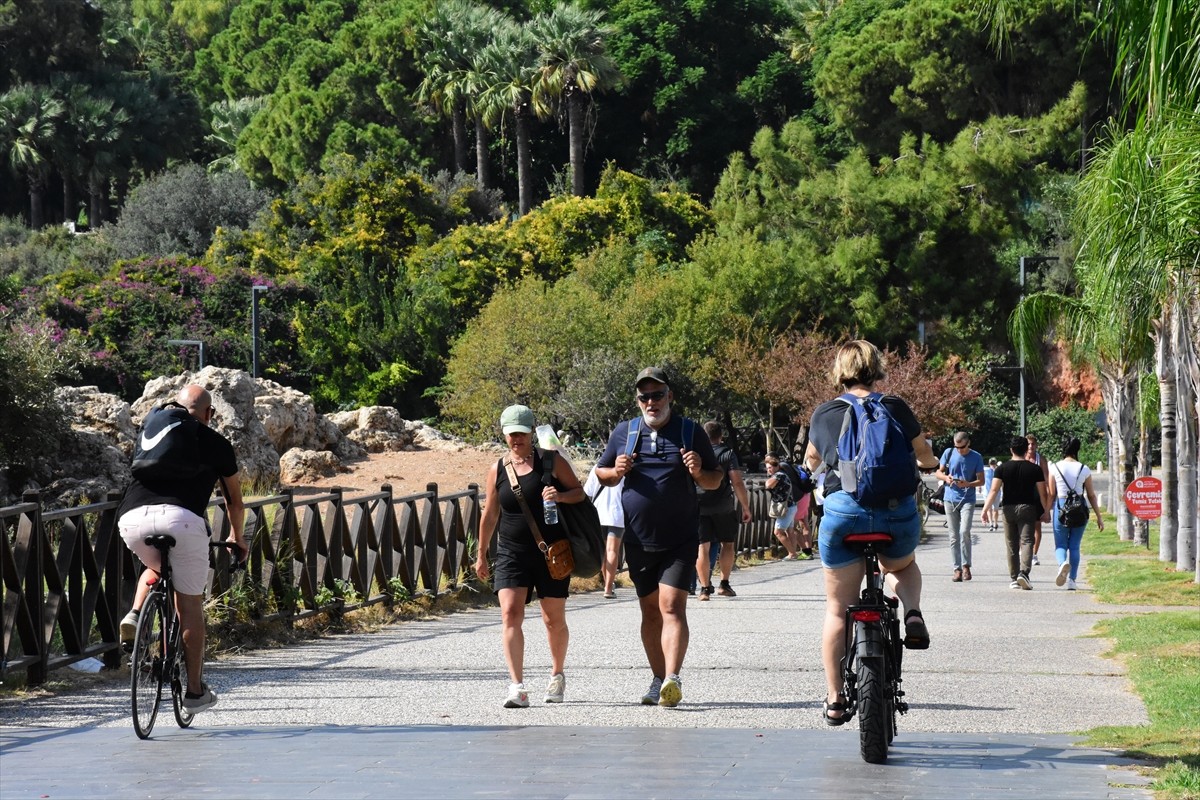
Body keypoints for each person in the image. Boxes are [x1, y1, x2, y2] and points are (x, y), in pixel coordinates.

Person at [802, 341, 939, 726]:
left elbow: (811, 461)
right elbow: (923, 453)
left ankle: (833, 700)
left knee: (836, 609)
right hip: (896, 513)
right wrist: (929, 464)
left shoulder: (825, 412)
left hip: (844, 515)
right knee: (903, 566)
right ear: (876, 369)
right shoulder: (894, 407)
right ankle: (911, 613)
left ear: (840, 371)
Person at [594, 367, 722, 707]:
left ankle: (672, 678)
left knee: (672, 607)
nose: (651, 402)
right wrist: (616, 471)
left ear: (670, 397)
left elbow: (715, 480)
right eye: (644, 397)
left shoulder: (690, 431)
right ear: (638, 401)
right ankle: (657, 678)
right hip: (637, 538)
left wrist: (698, 471)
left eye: (657, 395)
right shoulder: (625, 432)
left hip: (680, 538)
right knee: (650, 612)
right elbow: (601, 473)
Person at [118, 384, 247, 714]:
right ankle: (194, 692)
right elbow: (234, 500)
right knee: (189, 605)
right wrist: (237, 538)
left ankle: (135, 613)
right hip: (183, 521)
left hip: (132, 519)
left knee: (157, 567)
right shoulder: (215, 442)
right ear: (209, 413)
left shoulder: (154, 431)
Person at [474, 405, 585, 708]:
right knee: (510, 613)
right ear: (505, 434)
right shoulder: (498, 468)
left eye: (522, 433)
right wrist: (481, 554)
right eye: (511, 434)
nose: (516, 439)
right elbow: (490, 513)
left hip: (551, 552)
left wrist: (559, 496)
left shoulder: (552, 461)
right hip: (511, 551)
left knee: (553, 620)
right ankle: (516, 686)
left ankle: (557, 674)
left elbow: (580, 493)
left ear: (531, 433)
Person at [980, 436, 1049, 589]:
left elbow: (994, 490)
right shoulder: (1035, 469)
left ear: (1011, 450)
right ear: (1026, 450)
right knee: (1027, 542)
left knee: (1011, 544)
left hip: (1008, 508)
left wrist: (985, 509)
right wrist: (1046, 511)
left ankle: (1013, 577)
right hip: (1028, 507)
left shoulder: (1001, 468)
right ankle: (1024, 573)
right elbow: (1043, 493)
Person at [695, 421, 752, 600]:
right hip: (723, 506)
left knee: (702, 547)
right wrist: (745, 506)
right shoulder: (727, 454)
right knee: (727, 543)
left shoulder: (696, 453)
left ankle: (704, 589)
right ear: (721, 436)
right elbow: (736, 481)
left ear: (704, 435)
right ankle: (724, 584)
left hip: (699, 505)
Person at [1049, 437, 1104, 590]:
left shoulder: (1055, 467)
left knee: (1060, 544)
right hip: (1080, 509)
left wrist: (1046, 511)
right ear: (1077, 449)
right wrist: (1099, 517)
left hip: (1061, 507)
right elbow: (1092, 495)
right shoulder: (1084, 469)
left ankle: (1062, 564)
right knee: (1074, 545)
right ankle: (1072, 581)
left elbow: (1051, 494)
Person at [934, 431, 985, 582]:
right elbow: (938, 472)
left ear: (968, 443)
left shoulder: (976, 457)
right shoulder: (949, 452)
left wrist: (968, 483)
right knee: (953, 536)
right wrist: (946, 478)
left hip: (968, 498)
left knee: (964, 531)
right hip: (950, 498)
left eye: (962, 447)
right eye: (956, 447)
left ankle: (966, 566)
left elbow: (981, 480)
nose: (959, 450)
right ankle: (956, 569)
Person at [584, 467, 625, 599]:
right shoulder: (623, 468)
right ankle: (608, 587)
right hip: (617, 514)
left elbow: (587, 492)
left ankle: (607, 583)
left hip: (597, 513)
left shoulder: (596, 468)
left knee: (603, 550)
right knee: (612, 550)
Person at [764, 456, 800, 559]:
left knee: (778, 532)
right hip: (791, 506)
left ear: (777, 467)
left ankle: (792, 553)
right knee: (790, 531)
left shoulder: (779, 475)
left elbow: (768, 484)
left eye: (770, 467)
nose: (768, 470)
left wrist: (768, 480)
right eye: (767, 468)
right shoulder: (784, 474)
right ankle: (793, 554)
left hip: (786, 508)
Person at [1025, 434, 1051, 565]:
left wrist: (1047, 504)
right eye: (1028, 444)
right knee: (1023, 526)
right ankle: (1024, 552)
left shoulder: (1041, 460)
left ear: (1036, 445)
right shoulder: (1022, 457)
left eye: (1033, 444)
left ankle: (1034, 554)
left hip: (1037, 496)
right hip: (1024, 495)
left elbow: (1047, 480)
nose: (1031, 446)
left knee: (1036, 527)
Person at [983, 458, 1000, 531]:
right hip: (992, 492)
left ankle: (993, 523)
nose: (992, 464)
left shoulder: (996, 471)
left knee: (992, 509)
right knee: (992, 509)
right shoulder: (987, 470)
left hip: (992, 492)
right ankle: (993, 523)